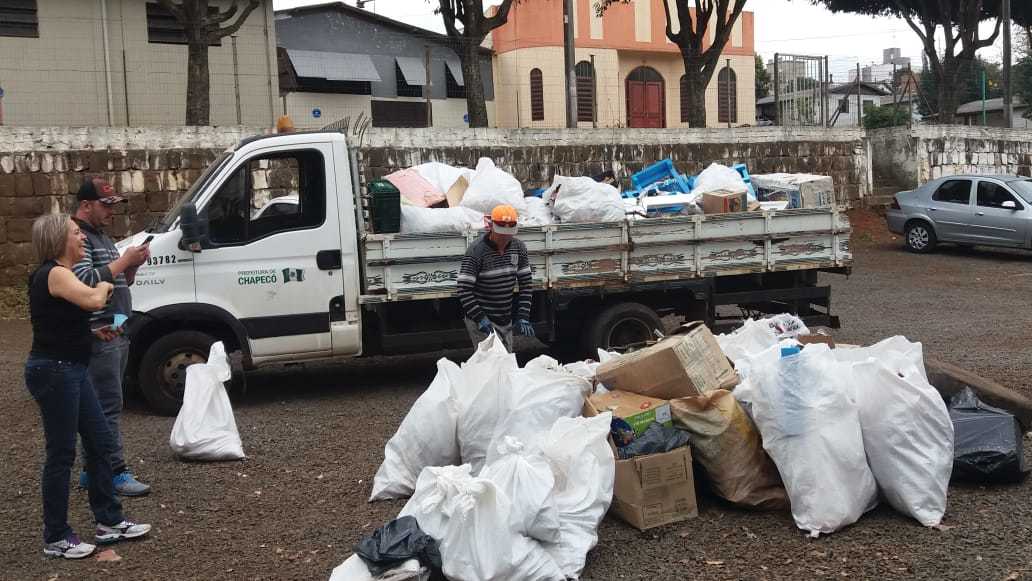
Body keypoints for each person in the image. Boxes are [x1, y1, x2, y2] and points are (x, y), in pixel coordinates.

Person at [25, 213, 152, 559]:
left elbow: (59, 323)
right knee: (61, 454)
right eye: (76, 233)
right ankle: (56, 536)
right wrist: (109, 283)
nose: (82, 238)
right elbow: (95, 301)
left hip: (73, 369)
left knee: (100, 442)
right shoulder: (54, 273)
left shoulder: (61, 275)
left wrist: (94, 332)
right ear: (58, 239)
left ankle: (109, 521)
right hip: (54, 372)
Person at [72, 178, 152, 496]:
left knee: (101, 405)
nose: (111, 211)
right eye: (105, 205)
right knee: (107, 406)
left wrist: (132, 268)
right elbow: (85, 280)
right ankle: (114, 472)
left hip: (116, 328)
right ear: (86, 205)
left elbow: (118, 281)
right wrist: (124, 260)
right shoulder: (78, 237)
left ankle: (92, 470)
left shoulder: (101, 237)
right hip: (100, 334)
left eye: (113, 205)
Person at [456, 204, 535, 352]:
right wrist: (480, 318)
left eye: (509, 234)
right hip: (482, 319)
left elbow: (526, 284)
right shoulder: (476, 251)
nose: (505, 238)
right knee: (490, 362)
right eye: (501, 234)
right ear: (491, 227)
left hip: (505, 319)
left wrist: (523, 316)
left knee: (506, 359)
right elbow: (464, 289)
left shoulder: (519, 248)